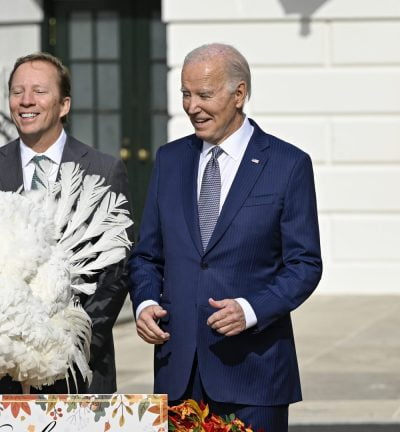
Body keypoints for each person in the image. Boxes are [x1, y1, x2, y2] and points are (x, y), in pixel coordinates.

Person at [128, 43, 322, 430]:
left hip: (253, 374)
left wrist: (252, 309)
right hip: (178, 374)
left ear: (239, 94)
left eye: (204, 94)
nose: (191, 106)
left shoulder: (288, 164)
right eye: (185, 93)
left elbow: (304, 264)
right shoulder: (170, 160)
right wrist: (146, 301)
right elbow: (147, 255)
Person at [0, 52, 131, 394]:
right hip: (0, 372)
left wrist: (67, 347)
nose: (26, 101)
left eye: (39, 91)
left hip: (78, 370)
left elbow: (116, 274)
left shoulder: (103, 171)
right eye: (17, 91)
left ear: (64, 105)